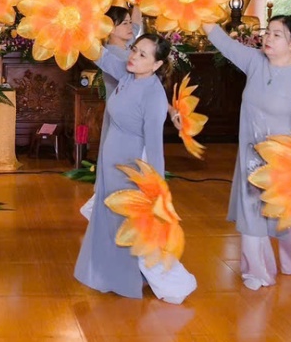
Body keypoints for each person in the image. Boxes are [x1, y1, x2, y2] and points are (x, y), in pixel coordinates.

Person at [202, 14, 291, 290]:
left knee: (288, 215)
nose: (268, 38)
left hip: (285, 159)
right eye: (268, 32)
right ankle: (256, 272)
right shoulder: (255, 61)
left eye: (277, 35)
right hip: (252, 155)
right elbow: (224, 43)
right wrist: (199, 12)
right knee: (252, 210)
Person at [74, 33, 198, 303]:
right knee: (111, 220)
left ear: (157, 65)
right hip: (111, 161)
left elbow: (154, 145)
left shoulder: (153, 95)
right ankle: (113, 276)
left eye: (143, 55)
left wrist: (157, 189)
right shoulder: (128, 74)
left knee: (131, 225)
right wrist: (78, 31)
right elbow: (103, 57)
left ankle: (174, 284)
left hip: (131, 165)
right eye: (134, 49)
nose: (134, 56)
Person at [80, 5, 138, 220]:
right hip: (119, 118)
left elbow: (137, 24)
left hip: (134, 116)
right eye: (124, 23)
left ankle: (123, 208)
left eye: (129, 22)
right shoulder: (112, 53)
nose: (130, 26)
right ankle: (103, 208)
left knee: (129, 163)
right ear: (110, 28)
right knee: (116, 163)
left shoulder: (130, 47)